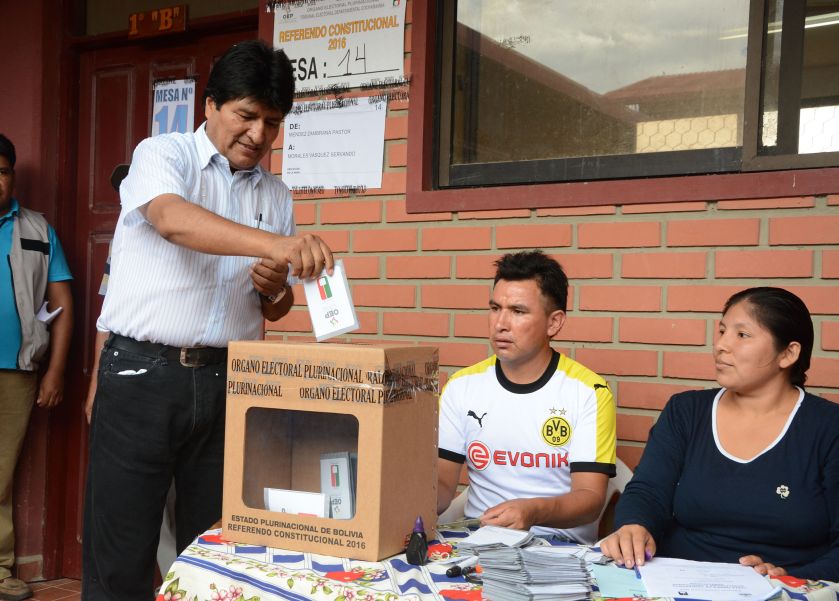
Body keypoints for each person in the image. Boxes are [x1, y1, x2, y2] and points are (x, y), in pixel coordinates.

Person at [83, 40, 334, 601]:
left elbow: (278, 305)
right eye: (246, 115)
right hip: (143, 376)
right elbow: (172, 220)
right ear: (211, 105)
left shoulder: (275, 193)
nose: (258, 134)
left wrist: (273, 290)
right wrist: (278, 243)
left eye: (272, 122)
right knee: (121, 553)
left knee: (213, 551)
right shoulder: (162, 155)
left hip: (229, 380)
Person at [601, 287, 839, 581]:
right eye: (722, 331)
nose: (721, 346)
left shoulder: (828, 427)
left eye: (742, 335)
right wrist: (635, 525)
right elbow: (648, 491)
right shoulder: (686, 411)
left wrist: (790, 577)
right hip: (679, 580)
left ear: (788, 353)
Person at [437, 250, 617, 544]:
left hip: (558, 549)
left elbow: (591, 499)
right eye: (495, 308)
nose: (500, 324)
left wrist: (533, 512)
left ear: (554, 323)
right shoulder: (461, 386)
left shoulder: (588, 392)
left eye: (518, 312)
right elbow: (442, 486)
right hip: (476, 543)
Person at [0, 133, 73, 601]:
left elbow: (62, 303)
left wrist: (55, 372)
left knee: (0, 473)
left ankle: (0, 567)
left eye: (2, 171)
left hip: (17, 371)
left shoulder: (37, 230)